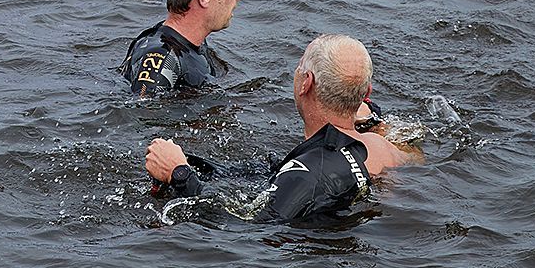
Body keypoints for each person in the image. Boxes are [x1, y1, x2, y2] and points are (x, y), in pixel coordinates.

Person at [144, 35, 417, 221]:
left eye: (299, 68)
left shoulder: (306, 173)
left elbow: (242, 225)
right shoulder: (385, 148)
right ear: (366, 93)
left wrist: (179, 174)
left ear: (306, 83)